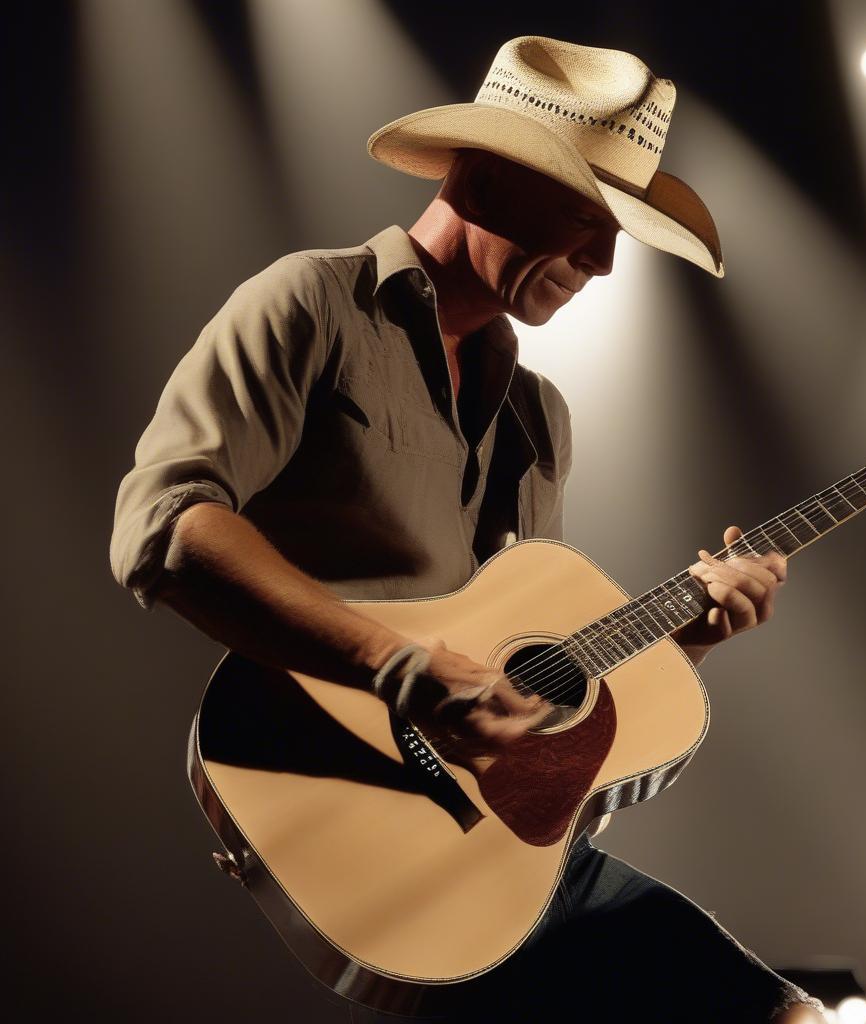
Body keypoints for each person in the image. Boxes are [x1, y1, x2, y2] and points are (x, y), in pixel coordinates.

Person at [110, 35, 826, 1023]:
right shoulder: (313, 303)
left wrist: (683, 640)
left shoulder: (539, 416)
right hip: (328, 797)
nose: (608, 263)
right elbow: (165, 525)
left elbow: (525, 691)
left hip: (500, 858)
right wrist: (396, 666)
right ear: (483, 177)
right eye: (587, 216)